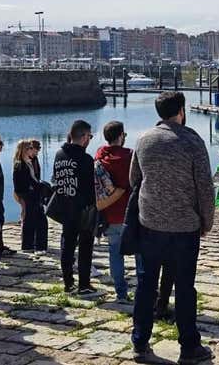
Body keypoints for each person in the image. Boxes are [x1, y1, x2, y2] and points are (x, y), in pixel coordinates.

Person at [130, 91, 215, 365]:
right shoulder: (192, 140)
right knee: (185, 288)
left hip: (149, 224)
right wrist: (206, 220)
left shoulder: (143, 139)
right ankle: (189, 346)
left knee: (146, 286)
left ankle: (140, 342)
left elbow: (135, 179)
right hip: (184, 227)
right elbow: (205, 186)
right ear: (181, 110)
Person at [95, 120, 139, 303]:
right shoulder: (130, 156)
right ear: (120, 136)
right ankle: (144, 291)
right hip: (132, 214)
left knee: (115, 254)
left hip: (110, 214)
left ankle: (121, 293)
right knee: (140, 254)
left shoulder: (99, 156)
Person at [52, 120, 97, 295]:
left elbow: (56, 179)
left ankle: (68, 283)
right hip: (83, 209)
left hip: (64, 206)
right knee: (85, 248)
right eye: (90, 136)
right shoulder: (85, 159)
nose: (90, 139)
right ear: (84, 136)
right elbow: (90, 188)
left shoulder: (59, 154)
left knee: (67, 246)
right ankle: (84, 284)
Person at [13, 140, 48, 252]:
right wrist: (26, 195)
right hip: (28, 197)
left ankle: (40, 246)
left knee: (41, 221)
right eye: (28, 148)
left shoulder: (29, 161)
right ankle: (28, 246)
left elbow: (34, 179)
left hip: (35, 196)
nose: (31, 150)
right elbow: (19, 185)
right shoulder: (19, 165)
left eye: (31, 148)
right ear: (23, 150)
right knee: (30, 222)